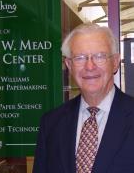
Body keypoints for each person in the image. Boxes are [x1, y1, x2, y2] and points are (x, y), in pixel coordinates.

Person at [32, 23, 134, 173]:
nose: (90, 66)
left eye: (99, 56)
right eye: (80, 58)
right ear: (69, 65)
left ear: (115, 62)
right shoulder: (51, 123)